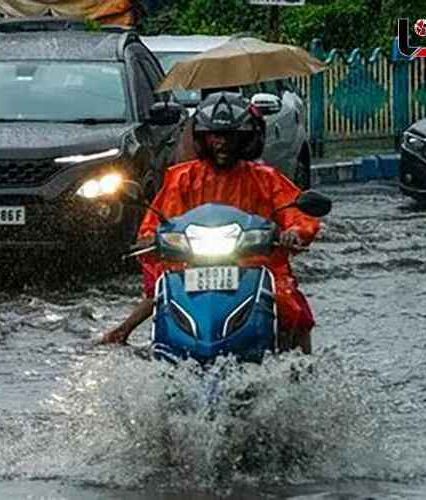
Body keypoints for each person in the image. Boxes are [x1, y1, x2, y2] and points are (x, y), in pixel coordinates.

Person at [98, 91, 320, 353]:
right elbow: (158, 219)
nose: (221, 143)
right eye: (214, 135)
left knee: (290, 305)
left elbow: (295, 211)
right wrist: (149, 237)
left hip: (255, 265)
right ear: (202, 138)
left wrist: (294, 232)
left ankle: (301, 366)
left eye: (229, 136)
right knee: (162, 292)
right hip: (191, 263)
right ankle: (136, 339)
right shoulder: (182, 178)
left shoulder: (266, 179)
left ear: (246, 138)